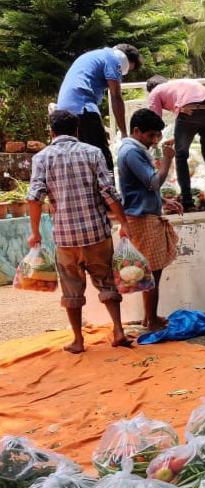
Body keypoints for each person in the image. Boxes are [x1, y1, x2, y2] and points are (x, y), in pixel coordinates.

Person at [27, 110, 133, 353]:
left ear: (51, 132)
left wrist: (35, 233)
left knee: (71, 288)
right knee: (107, 282)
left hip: (65, 239)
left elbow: (34, 198)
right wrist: (124, 224)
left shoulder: (42, 158)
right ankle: (118, 330)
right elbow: (109, 193)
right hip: (97, 233)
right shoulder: (92, 153)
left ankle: (78, 340)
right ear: (77, 130)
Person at [117, 108, 182, 331]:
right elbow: (153, 182)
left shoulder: (134, 149)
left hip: (145, 214)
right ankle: (151, 320)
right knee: (152, 272)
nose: (155, 140)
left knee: (152, 271)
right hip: (142, 219)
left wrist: (162, 201)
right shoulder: (131, 152)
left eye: (157, 135)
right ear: (136, 131)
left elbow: (143, 188)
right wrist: (167, 159)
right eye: (151, 135)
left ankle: (149, 317)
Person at [146, 76, 205, 211]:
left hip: (188, 110)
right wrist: (175, 139)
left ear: (151, 89)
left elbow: (154, 122)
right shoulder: (178, 84)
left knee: (181, 155)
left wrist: (153, 143)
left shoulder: (156, 91)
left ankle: (188, 202)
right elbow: (195, 124)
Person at [56, 45, 142, 170]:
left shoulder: (95, 55)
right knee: (101, 157)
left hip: (63, 110)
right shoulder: (114, 59)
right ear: (126, 61)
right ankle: (109, 188)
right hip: (82, 106)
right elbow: (116, 97)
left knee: (78, 160)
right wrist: (124, 133)